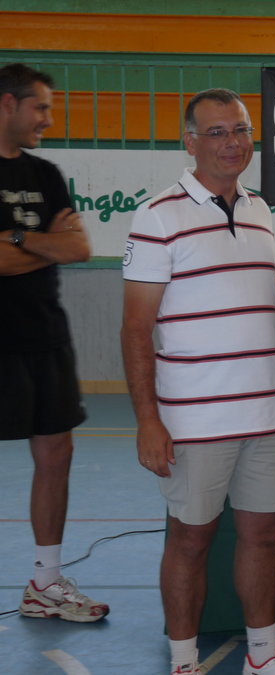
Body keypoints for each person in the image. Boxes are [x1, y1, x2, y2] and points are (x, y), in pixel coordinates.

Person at [120, 88, 275, 675]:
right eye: (216, 132)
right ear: (190, 142)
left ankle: (262, 656)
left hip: (267, 413)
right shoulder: (158, 215)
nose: (232, 142)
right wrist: (148, 420)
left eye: (240, 130)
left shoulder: (259, 210)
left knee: (263, 536)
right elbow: (136, 328)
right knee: (190, 540)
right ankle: (184, 663)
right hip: (195, 418)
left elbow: (268, 298)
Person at [0, 63, 108, 623]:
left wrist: (18, 236)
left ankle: (45, 583)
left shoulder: (45, 173)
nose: (47, 118)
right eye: (39, 107)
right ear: (7, 104)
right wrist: (46, 243)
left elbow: (79, 248)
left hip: (45, 335)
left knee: (56, 453)